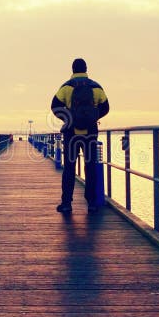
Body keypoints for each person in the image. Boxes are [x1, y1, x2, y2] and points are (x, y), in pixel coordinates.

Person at [50, 58, 109, 214]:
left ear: (73, 70)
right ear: (86, 69)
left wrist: (68, 119)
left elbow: (54, 106)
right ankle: (92, 203)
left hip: (71, 133)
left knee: (69, 167)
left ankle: (67, 204)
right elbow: (106, 107)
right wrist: (93, 117)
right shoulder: (96, 87)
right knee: (90, 167)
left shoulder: (66, 87)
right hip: (90, 132)